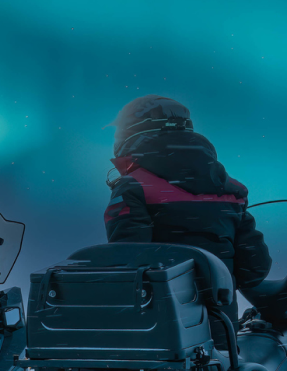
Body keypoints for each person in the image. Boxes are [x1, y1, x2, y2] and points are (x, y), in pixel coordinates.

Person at [103, 96, 272, 324]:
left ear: (131, 132)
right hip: (220, 328)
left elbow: (127, 264)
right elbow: (255, 267)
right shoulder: (232, 189)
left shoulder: (135, 187)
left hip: (161, 329)